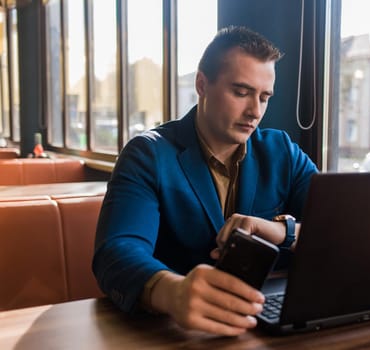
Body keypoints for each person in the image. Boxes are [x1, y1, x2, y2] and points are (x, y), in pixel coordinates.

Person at [92, 25, 318, 336]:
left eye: (264, 97)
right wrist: (173, 291)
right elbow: (117, 251)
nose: (255, 111)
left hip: (261, 323)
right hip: (175, 331)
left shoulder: (283, 152)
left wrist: (283, 230)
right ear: (202, 84)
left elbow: (338, 231)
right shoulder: (148, 154)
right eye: (241, 92)